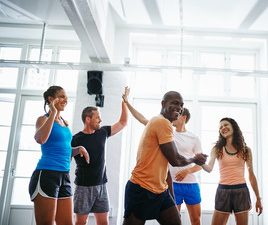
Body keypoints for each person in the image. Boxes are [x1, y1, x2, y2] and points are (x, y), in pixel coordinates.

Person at [122, 90, 207, 225]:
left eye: (181, 105)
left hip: (161, 191)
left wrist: (172, 202)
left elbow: (167, 169)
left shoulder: (164, 126)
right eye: (175, 103)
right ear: (163, 104)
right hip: (141, 188)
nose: (179, 107)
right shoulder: (162, 122)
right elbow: (175, 160)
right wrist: (194, 159)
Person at [29, 85, 89, 225]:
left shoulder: (64, 123)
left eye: (66, 97)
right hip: (47, 174)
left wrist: (78, 149)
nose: (65, 100)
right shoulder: (43, 119)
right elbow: (40, 139)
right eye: (62, 96)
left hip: (64, 176)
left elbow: (64, 149)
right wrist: (53, 113)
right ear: (51, 99)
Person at [71, 96, 128, 225]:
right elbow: (66, 157)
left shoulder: (102, 132)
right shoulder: (75, 139)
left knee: (103, 222)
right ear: (88, 119)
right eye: (97, 117)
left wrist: (124, 102)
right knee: (81, 222)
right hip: (83, 187)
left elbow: (123, 122)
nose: (100, 120)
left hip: (101, 185)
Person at [201, 117, 263, 225]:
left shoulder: (245, 150)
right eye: (220, 127)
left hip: (241, 191)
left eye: (226, 125)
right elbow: (209, 168)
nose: (223, 128)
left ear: (233, 127)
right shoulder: (217, 149)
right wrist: (200, 162)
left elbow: (251, 175)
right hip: (223, 191)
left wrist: (258, 198)